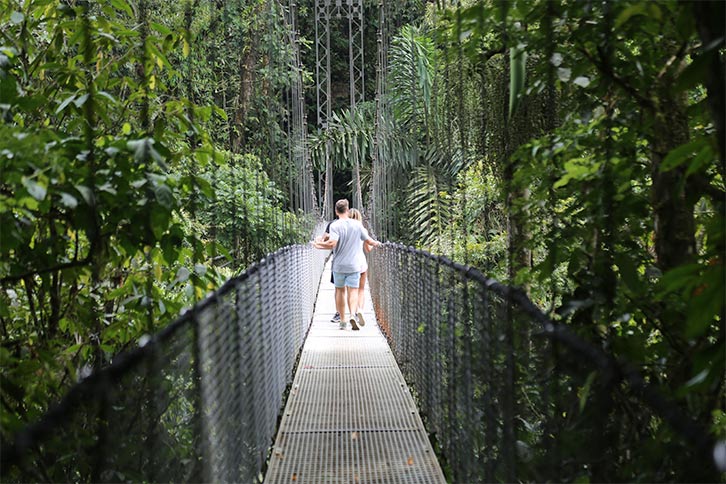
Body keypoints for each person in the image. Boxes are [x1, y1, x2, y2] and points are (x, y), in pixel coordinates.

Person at [312, 199, 380, 330]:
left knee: (340, 291)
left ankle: (342, 320)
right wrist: (378, 244)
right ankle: (353, 314)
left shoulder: (334, 225)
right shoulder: (357, 225)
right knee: (353, 291)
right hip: (354, 266)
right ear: (347, 210)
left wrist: (318, 244)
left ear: (336, 211)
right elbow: (369, 241)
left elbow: (332, 244)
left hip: (339, 266)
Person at [349, 208, 375, 311]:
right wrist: (374, 244)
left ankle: (353, 313)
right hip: (361, 262)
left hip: (349, 263)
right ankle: (360, 310)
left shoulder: (344, 230)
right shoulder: (363, 230)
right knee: (361, 290)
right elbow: (368, 249)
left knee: (351, 290)